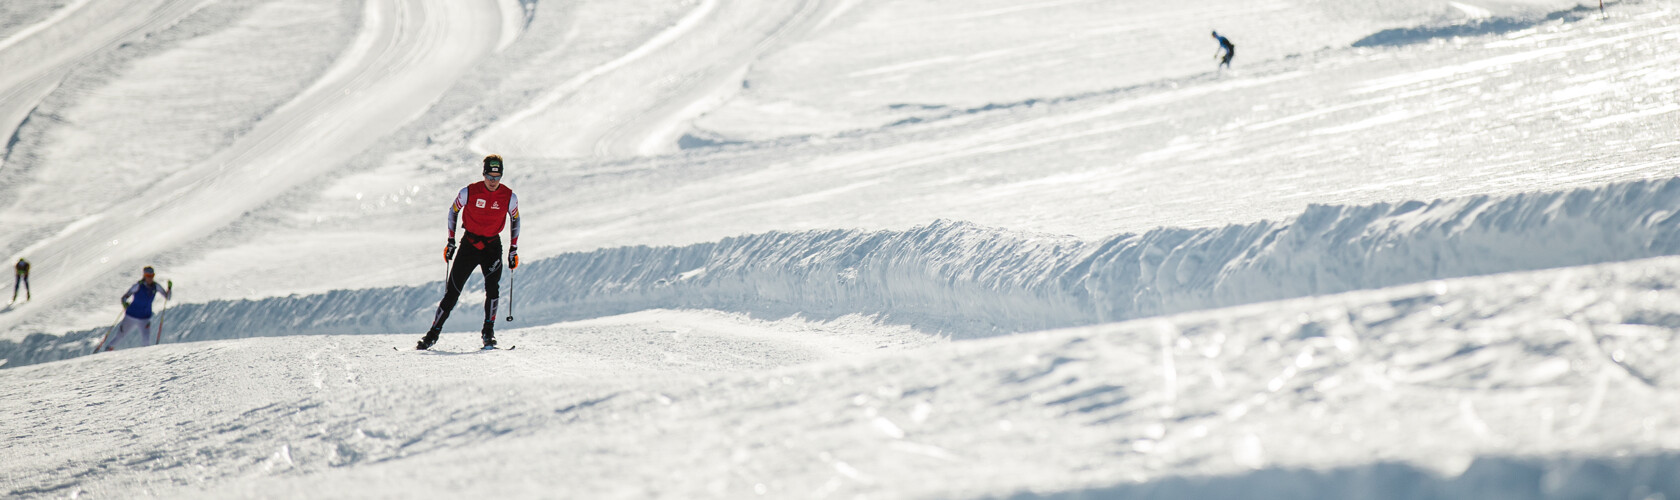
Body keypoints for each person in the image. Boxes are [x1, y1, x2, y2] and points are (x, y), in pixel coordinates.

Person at [418, 154, 520, 350]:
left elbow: (516, 220)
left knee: (493, 289)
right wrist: (450, 241)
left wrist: (513, 249)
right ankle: (432, 335)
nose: (493, 181)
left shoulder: (509, 197)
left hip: (492, 247)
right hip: (469, 245)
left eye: (497, 177)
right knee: (453, 292)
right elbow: (453, 211)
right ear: (484, 174)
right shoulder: (469, 192)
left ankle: (488, 333)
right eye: (489, 177)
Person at [106, 266, 171, 351]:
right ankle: (106, 351)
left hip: (145, 318)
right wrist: (125, 305)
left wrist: (169, 289)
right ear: (144, 275)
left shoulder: (156, 286)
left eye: (152, 275)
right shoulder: (138, 286)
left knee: (146, 341)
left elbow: (167, 297)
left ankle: (146, 358)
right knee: (120, 336)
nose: (150, 278)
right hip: (131, 316)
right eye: (148, 275)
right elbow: (124, 297)